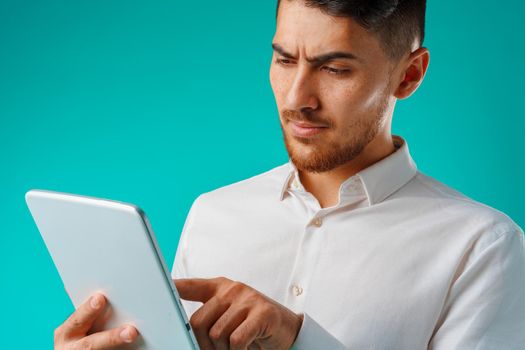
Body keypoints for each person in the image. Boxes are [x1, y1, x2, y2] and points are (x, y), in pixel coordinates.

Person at [53, 0, 525, 349]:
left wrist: (300, 339)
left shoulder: (482, 247)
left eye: (335, 68)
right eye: (284, 59)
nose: (297, 96)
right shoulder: (213, 213)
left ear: (409, 76)